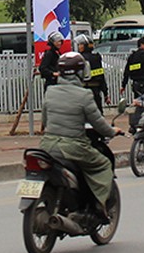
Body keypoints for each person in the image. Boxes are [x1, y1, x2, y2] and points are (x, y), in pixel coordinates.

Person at [39, 51, 122, 217]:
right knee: (103, 164)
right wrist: (112, 131)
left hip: (46, 146)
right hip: (72, 146)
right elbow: (99, 123)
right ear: (80, 72)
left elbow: (45, 121)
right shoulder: (84, 95)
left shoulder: (50, 92)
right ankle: (99, 204)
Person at [75, 33, 109, 108]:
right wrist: (106, 93)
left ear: (85, 46)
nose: (79, 47)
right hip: (95, 91)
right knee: (98, 114)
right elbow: (101, 77)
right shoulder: (96, 58)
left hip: (82, 90)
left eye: (81, 45)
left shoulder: (79, 58)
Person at [119, 36, 144, 102]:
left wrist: (123, 85)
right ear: (141, 45)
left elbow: (127, 72)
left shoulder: (132, 57)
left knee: (138, 101)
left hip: (136, 85)